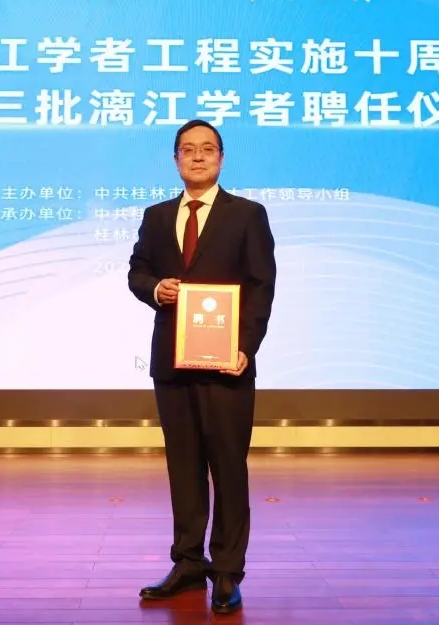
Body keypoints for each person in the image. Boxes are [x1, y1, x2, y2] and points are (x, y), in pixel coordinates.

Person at [127, 119, 276, 614]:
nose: (197, 157)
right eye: (188, 149)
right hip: (173, 363)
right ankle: (188, 563)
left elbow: (261, 286)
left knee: (228, 468)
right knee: (184, 468)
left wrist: (246, 347)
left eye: (207, 149)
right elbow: (137, 271)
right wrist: (156, 289)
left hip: (227, 365)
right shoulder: (155, 216)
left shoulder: (248, 215)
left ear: (221, 158)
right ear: (175, 160)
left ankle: (227, 572)